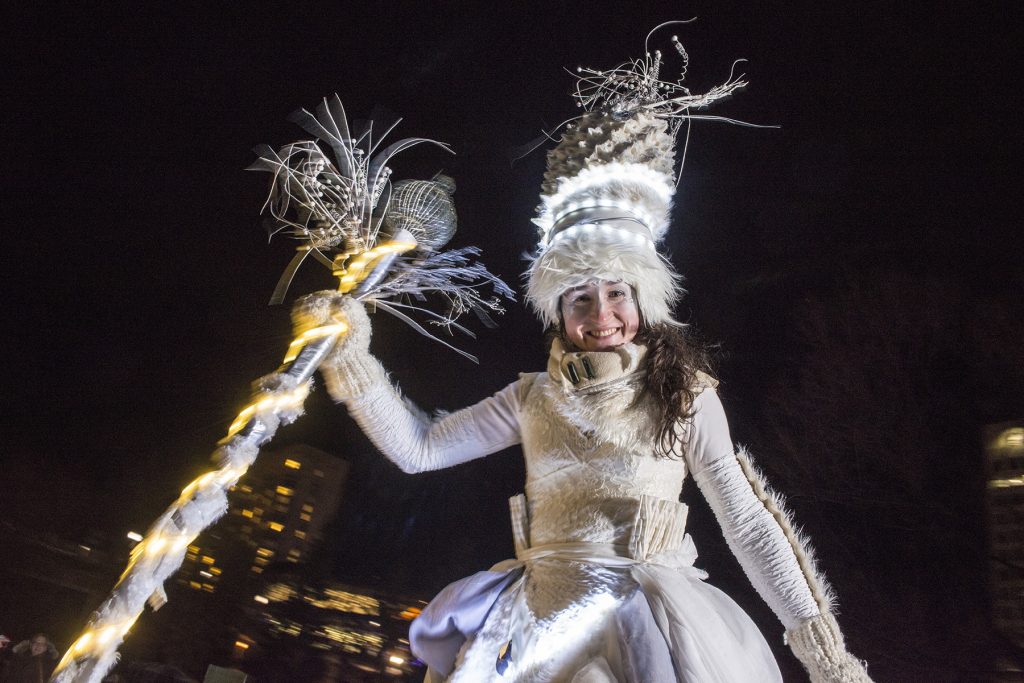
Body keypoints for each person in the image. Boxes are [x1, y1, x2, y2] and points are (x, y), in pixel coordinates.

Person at [297, 38, 873, 683]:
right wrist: (352, 358)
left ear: (642, 299)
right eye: (579, 297)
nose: (601, 313)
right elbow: (421, 448)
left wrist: (826, 652)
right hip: (537, 622)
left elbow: (745, 520)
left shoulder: (684, 393)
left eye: (617, 292)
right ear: (558, 310)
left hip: (649, 623)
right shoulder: (531, 397)